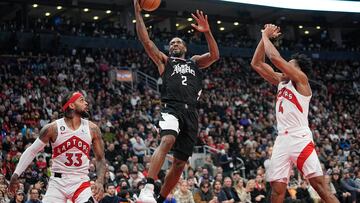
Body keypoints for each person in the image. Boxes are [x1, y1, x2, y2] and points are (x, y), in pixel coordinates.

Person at [133, 0, 219, 202]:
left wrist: (207, 31)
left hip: (192, 113)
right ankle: (147, 187)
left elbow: (215, 55)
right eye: (171, 43)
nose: (174, 44)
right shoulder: (165, 61)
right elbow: (146, 41)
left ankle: (160, 199)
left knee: (180, 163)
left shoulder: (195, 61)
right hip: (171, 108)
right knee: (167, 139)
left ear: (185, 47)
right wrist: (138, 13)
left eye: (178, 42)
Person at [250, 24, 339, 203]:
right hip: (282, 139)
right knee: (276, 191)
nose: (284, 69)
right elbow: (256, 63)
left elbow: (274, 58)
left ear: (297, 70)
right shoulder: (280, 81)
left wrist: (266, 36)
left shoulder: (301, 80)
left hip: (300, 137)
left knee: (320, 188)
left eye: (289, 66)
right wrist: (263, 37)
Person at [9, 91, 106, 203]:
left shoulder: (92, 129)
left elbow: (100, 158)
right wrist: (15, 175)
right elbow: (31, 151)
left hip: (81, 181)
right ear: (71, 105)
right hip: (57, 183)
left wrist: (100, 181)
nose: (86, 103)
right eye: (82, 100)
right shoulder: (52, 128)